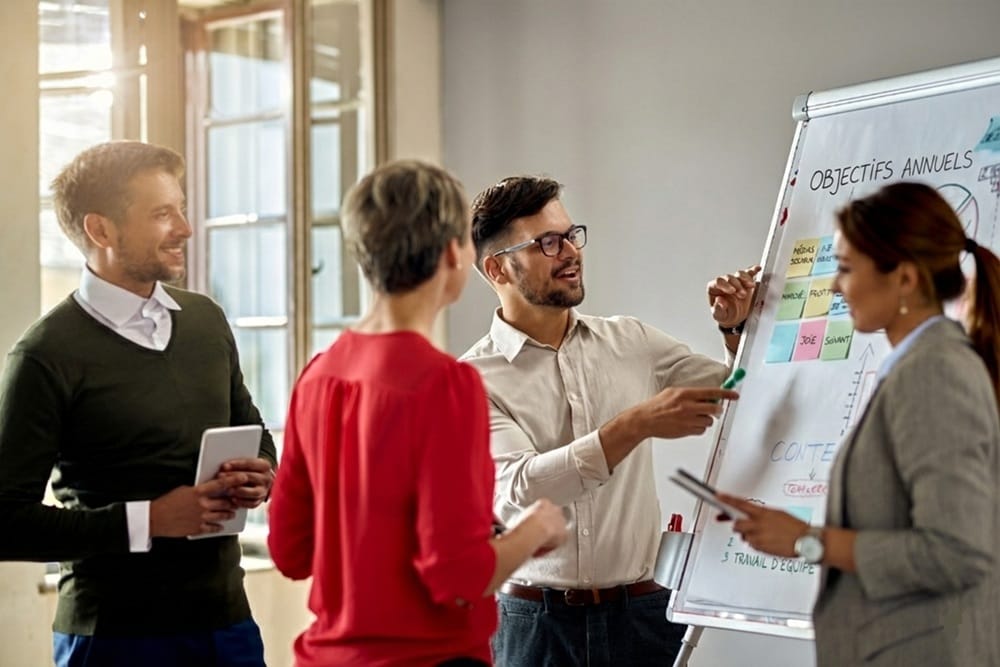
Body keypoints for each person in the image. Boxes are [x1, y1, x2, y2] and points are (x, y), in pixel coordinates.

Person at [267, 160, 568, 667]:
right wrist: (535, 530)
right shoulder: (444, 383)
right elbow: (457, 578)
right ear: (455, 252)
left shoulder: (317, 377)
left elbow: (291, 553)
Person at [460, 175, 757, 666]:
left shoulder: (632, 341)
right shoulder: (471, 379)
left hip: (644, 615)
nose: (570, 252)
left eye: (571, 235)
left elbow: (738, 393)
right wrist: (633, 425)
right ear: (498, 269)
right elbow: (523, 487)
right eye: (547, 243)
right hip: (536, 627)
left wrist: (734, 331)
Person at [0, 141, 277, 667]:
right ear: (100, 230)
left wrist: (263, 470)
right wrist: (149, 519)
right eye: (161, 214)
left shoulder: (205, 321)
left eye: (181, 208)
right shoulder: (43, 355)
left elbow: (253, 428)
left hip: (229, 626)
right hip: (111, 639)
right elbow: (6, 521)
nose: (185, 228)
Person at [721, 181, 1000, 666]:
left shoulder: (935, 373)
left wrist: (809, 540)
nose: (833, 286)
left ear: (906, 279)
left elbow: (956, 553)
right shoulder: (917, 368)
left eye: (847, 269)